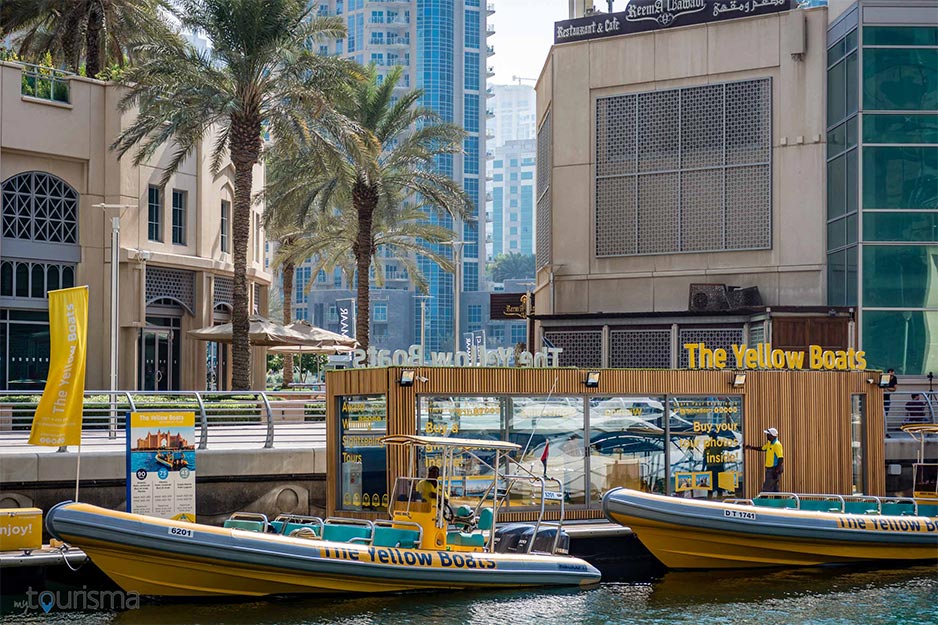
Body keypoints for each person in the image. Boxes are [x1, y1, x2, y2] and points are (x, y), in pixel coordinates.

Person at [744, 428, 784, 493]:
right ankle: (778, 501)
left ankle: (762, 500)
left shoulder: (777, 444)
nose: (767, 436)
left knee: (767, 487)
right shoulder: (769, 444)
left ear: (772, 435)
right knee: (775, 488)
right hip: (770, 468)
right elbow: (762, 448)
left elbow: (780, 458)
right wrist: (751, 447)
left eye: (768, 434)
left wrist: (776, 470)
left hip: (774, 468)